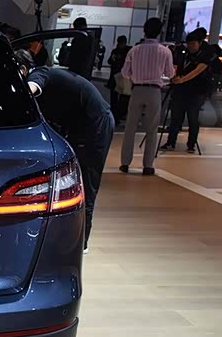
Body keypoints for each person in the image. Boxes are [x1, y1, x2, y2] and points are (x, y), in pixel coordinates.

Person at [16, 50, 114, 253]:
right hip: (81, 125)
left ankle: (82, 242)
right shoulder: (46, 79)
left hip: (95, 124)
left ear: (23, 69)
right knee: (73, 181)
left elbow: (32, 87)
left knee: (87, 181)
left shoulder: (39, 73)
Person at [119, 18, 175, 176]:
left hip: (137, 90)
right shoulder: (165, 51)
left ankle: (125, 163)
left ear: (144, 30)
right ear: (159, 32)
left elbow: (125, 73)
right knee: (152, 129)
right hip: (154, 91)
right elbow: (170, 73)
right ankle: (148, 165)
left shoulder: (134, 50)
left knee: (130, 128)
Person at [161, 30, 213, 152]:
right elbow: (175, 66)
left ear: (199, 43)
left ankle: (191, 144)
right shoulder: (183, 54)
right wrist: (173, 77)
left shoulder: (204, 57)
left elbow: (196, 72)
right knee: (175, 117)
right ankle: (171, 142)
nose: (190, 46)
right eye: (189, 44)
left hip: (196, 91)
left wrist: (182, 80)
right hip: (180, 90)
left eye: (193, 44)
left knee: (192, 118)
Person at [107, 35, 132, 124]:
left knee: (122, 97)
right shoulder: (117, 51)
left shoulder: (127, 51)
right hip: (117, 76)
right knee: (117, 97)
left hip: (122, 76)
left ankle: (119, 114)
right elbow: (110, 61)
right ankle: (116, 115)